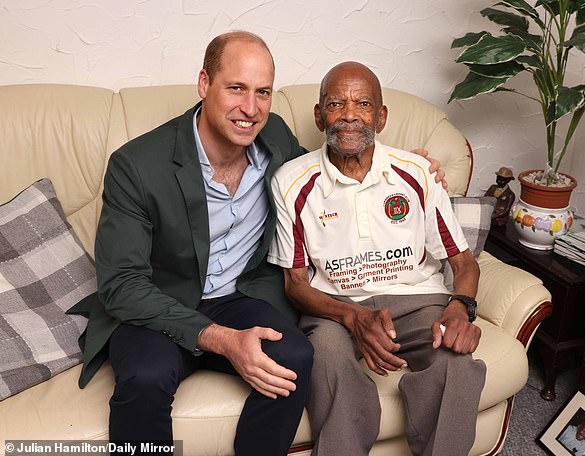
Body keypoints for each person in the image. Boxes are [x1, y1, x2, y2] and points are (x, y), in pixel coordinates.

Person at [67, 32, 446, 455]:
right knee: (147, 376)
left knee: (297, 357)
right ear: (204, 83)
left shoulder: (275, 139)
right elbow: (122, 285)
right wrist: (222, 339)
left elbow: (326, 172)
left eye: (262, 92)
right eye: (236, 89)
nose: (250, 109)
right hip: (157, 304)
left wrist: (406, 166)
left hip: (238, 297)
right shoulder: (135, 165)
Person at [268, 61, 486, 456]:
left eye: (363, 104)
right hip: (334, 307)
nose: (350, 115)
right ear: (319, 116)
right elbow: (295, 285)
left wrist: (461, 306)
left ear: (380, 117)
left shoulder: (418, 174)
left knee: (455, 363)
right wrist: (352, 316)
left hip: (417, 302)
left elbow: (464, 262)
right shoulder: (291, 182)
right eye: (336, 104)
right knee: (329, 360)